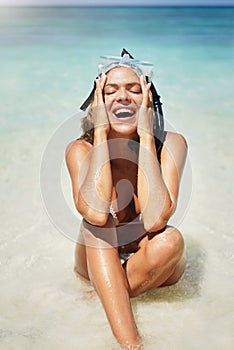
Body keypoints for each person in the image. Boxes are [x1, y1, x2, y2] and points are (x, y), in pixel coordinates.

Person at [66, 50, 187, 349]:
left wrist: (146, 138)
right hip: (95, 259)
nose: (123, 97)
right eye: (111, 91)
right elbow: (94, 212)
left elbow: (156, 218)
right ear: (98, 104)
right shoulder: (80, 149)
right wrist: (103, 135)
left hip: (152, 264)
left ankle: (109, 295)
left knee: (171, 240)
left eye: (134, 90)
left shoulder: (171, 144)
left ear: (148, 101)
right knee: (97, 224)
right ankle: (132, 344)